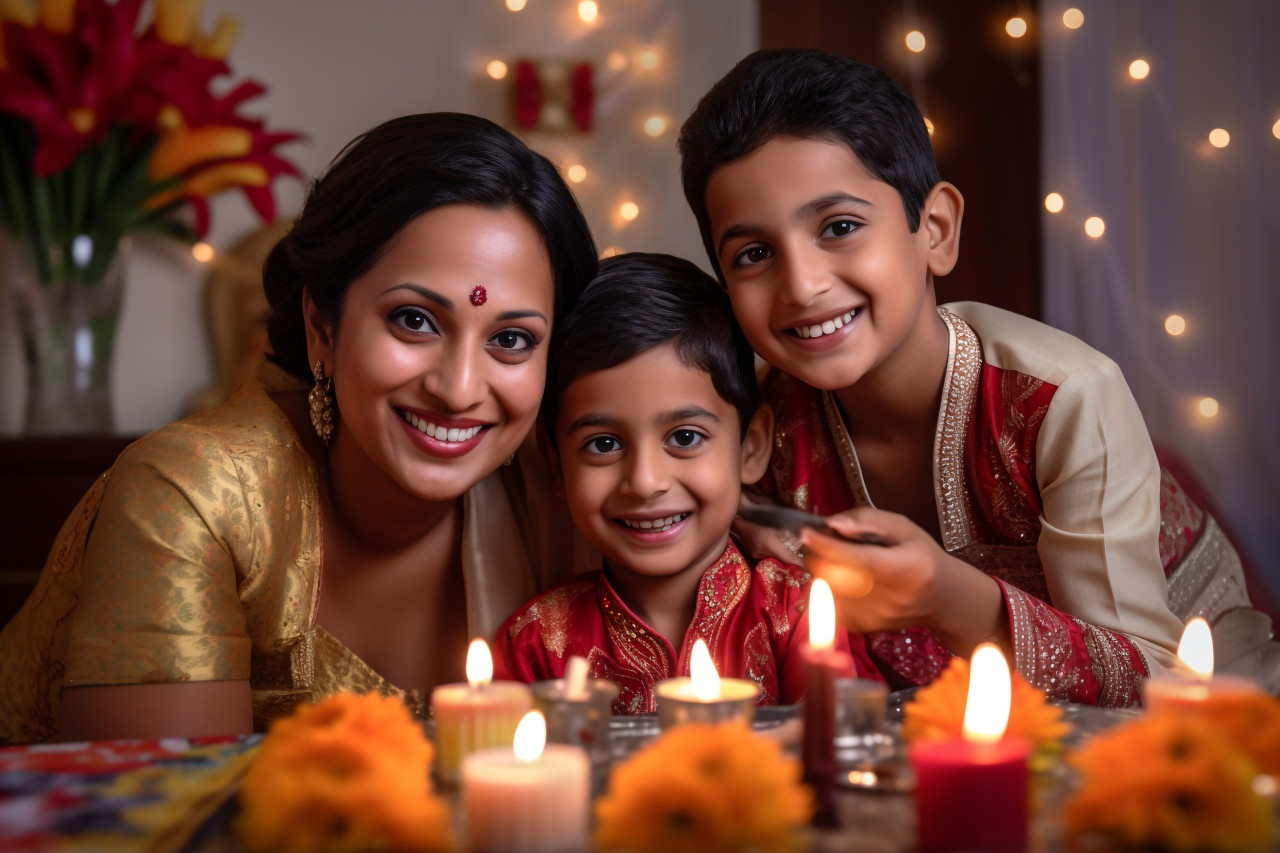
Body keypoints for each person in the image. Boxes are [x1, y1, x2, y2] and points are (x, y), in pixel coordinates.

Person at [677, 48, 1280, 705]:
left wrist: (950, 597)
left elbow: (1148, 683)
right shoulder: (764, 420)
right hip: (954, 723)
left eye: (840, 227)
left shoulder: (1060, 396)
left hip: (1207, 708)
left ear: (935, 229)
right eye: (754, 254)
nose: (802, 284)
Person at [0, 113, 600, 744]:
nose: (459, 389)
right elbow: (163, 800)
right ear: (322, 327)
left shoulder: (566, 495)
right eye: (415, 321)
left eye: (512, 339)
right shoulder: (192, 495)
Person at [494, 253, 880, 714]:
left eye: (684, 438)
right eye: (603, 445)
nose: (644, 482)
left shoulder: (799, 612)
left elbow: (835, 743)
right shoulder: (535, 642)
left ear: (751, 448)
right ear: (556, 463)